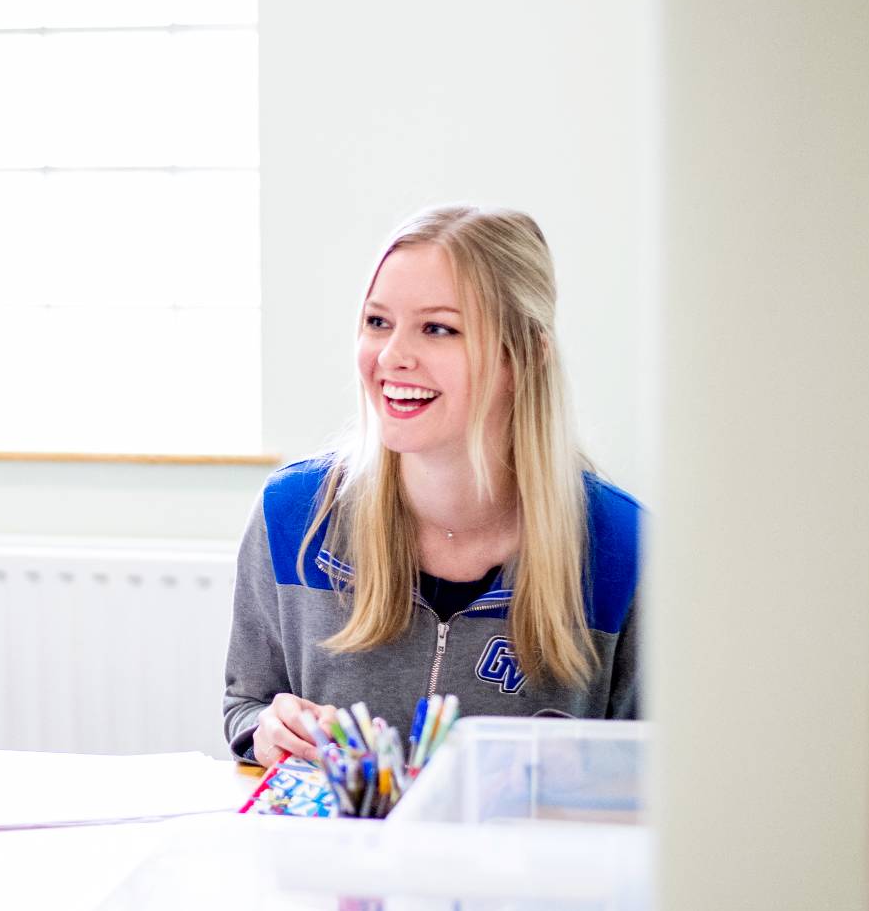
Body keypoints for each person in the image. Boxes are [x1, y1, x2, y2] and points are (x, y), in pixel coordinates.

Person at [223, 204, 641, 767]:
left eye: (438, 328)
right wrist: (269, 731)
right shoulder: (292, 515)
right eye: (377, 322)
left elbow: (660, 778)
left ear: (525, 357)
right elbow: (245, 706)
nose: (392, 356)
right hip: (334, 857)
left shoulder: (627, 548)